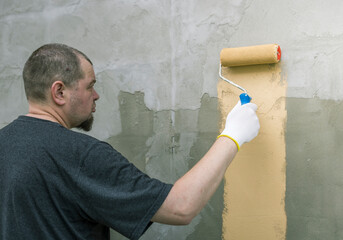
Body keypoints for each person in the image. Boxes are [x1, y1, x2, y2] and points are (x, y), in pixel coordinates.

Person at [0, 43, 259, 240]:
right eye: (90, 86)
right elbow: (181, 207)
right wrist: (233, 135)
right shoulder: (80, 155)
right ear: (59, 92)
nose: (97, 95)